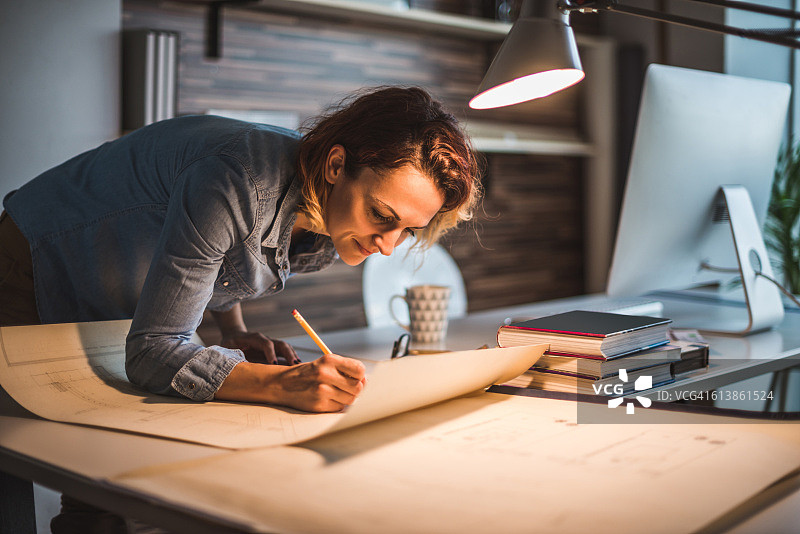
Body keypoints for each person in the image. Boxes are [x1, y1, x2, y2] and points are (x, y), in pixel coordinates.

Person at [0, 84, 481, 532]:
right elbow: (151, 352)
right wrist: (281, 385)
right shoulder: (235, 178)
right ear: (337, 165)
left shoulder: (329, 218)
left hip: (118, 278)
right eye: (382, 216)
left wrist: (233, 330)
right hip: (34, 255)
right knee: (15, 457)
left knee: (110, 473)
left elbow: (210, 261)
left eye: (408, 231)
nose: (388, 247)